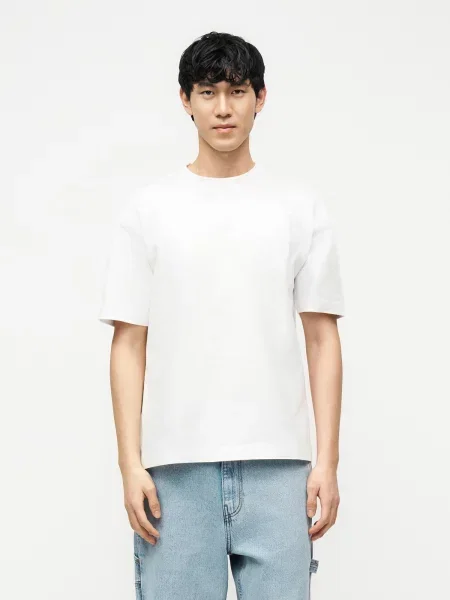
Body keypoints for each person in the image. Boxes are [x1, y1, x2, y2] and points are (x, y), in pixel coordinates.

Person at [98, 31, 345, 600]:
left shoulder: (298, 207)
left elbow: (322, 338)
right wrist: (130, 464)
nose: (223, 108)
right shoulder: (148, 209)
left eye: (237, 91)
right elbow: (128, 342)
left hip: (278, 469)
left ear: (261, 97)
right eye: (208, 92)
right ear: (185, 100)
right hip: (174, 472)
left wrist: (327, 462)